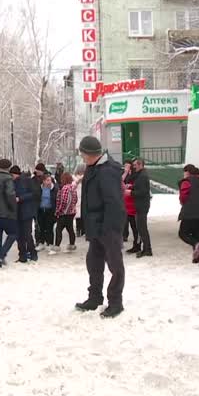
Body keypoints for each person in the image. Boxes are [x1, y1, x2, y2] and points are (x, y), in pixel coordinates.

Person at [75, 136, 126, 318]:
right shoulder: (94, 168)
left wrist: (110, 229)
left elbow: (113, 203)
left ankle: (116, 302)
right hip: (95, 227)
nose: (81, 157)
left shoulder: (107, 171)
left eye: (82, 153)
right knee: (94, 264)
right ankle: (95, 298)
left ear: (89, 154)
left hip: (108, 228)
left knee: (115, 266)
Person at [178, 165, 199, 263]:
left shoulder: (187, 182)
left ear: (188, 172)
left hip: (190, 212)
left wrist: (183, 203)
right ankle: (196, 259)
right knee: (197, 236)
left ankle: (195, 244)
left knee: (183, 233)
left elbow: (183, 196)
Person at [11, 166, 39, 263]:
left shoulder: (27, 181)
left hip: (26, 212)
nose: (11, 177)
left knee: (27, 234)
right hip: (17, 212)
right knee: (19, 236)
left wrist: (20, 198)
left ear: (16, 174)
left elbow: (34, 194)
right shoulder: (12, 182)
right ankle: (22, 255)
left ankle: (33, 253)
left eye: (12, 175)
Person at [129, 158, 152, 257]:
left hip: (142, 205)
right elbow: (137, 186)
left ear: (140, 165)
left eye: (135, 165)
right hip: (140, 205)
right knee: (141, 228)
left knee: (142, 228)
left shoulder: (142, 176)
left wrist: (130, 192)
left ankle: (147, 249)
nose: (133, 167)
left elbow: (142, 192)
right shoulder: (140, 175)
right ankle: (146, 248)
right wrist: (130, 187)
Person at [52, 172, 78, 254]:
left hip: (64, 212)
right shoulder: (73, 187)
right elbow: (75, 199)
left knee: (58, 229)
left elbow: (64, 201)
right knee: (70, 229)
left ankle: (56, 246)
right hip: (71, 212)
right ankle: (71, 245)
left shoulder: (65, 188)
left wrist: (59, 211)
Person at [122, 160, 139, 252]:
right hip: (126, 205)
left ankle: (137, 245)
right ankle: (125, 236)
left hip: (133, 205)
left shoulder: (137, 176)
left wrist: (130, 188)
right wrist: (125, 172)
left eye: (128, 166)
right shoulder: (125, 174)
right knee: (124, 222)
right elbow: (120, 182)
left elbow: (137, 188)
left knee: (135, 227)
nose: (127, 167)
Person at [36, 174, 57, 251]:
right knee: (41, 228)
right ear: (43, 181)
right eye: (47, 180)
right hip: (41, 210)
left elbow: (56, 200)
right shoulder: (39, 188)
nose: (49, 182)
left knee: (50, 228)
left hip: (50, 210)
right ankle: (42, 243)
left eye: (50, 180)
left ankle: (50, 244)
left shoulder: (54, 189)